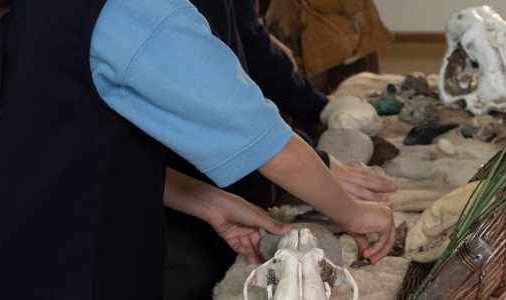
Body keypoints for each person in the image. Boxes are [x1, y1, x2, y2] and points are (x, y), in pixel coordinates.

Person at [0, 0, 397, 298]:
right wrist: (356, 214)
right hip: (55, 275)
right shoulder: (137, 11)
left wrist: (211, 200)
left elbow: (79, 151)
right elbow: (267, 142)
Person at [162, 1, 398, 298]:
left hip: (197, 187)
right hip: (161, 200)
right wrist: (347, 206)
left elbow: (247, 37)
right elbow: (224, 116)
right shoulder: (151, 17)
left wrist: (318, 107)